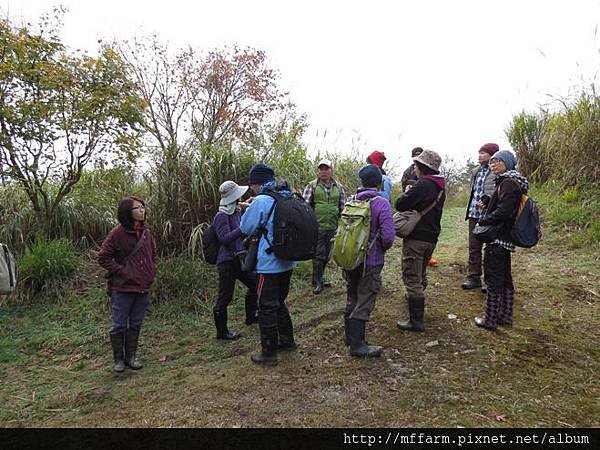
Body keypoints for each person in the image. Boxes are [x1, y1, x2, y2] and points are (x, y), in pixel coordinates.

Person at [240, 163, 297, 366]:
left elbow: (246, 227)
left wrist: (249, 208)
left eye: (252, 184)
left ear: (257, 183)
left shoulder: (262, 200)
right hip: (288, 261)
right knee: (279, 302)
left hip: (269, 264)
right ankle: (287, 340)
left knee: (266, 306)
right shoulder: (288, 195)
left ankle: (269, 353)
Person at [98, 196, 157, 373]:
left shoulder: (147, 232)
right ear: (127, 213)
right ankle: (118, 360)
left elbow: (153, 253)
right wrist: (123, 272)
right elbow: (103, 257)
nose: (142, 210)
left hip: (143, 286)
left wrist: (151, 270)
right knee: (119, 325)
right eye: (137, 208)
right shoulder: (117, 233)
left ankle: (131, 357)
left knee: (136, 323)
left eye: (143, 207)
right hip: (122, 288)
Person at [343, 164, 395, 357]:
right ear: (378, 183)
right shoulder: (381, 203)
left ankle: (349, 335)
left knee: (352, 294)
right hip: (371, 260)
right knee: (366, 297)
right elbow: (389, 237)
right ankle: (358, 346)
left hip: (350, 257)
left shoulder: (351, 200)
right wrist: (380, 248)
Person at [474, 150, 528, 330]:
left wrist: (484, 219)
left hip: (498, 237)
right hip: (505, 237)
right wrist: (489, 201)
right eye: (492, 162)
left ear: (508, 164)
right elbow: (506, 206)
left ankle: (490, 320)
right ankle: (505, 316)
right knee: (505, 278)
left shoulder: (508, 182)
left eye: (498, 161)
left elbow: (504, 211)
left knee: (493, 278)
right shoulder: (512, 182)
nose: (493, 164)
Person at [395, 150, 446, 332]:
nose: (414, 168)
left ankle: (416, 321)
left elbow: (400, 204)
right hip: (431, 237)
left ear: (423, 168)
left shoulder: (423, 184)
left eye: (416, 165)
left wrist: (408, 192)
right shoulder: (440, 186)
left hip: (416, 237)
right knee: (421, 271)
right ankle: (416, 306)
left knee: (411, 276)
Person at [212, 180, 259, 341]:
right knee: (225, 296)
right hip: (227, 261)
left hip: (240, 257)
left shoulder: (235, 211)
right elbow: (224, 239)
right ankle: (222, 332)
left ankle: (251, 316)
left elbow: (243, 210)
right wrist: (242, 228)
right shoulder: (221, 216)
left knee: (255, 285)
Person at [302, 159, 346, 294]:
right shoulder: (312, 186)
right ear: (317, 171)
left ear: (331, 170)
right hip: (317, 226)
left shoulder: (338, 187)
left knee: (327, 255)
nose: (323, 171)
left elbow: (343, 207)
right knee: (319, 254)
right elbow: (305, 206)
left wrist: (342, 224)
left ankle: (316, 278)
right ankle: (318, 282)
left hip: (332, 226)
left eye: (326, 169)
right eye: (321, 169)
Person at [462, 143, 499, 292]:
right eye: (479, 152)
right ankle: (473, 277)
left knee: (490, 248)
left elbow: (498, 191)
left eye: (483, 153)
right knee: (474, 247)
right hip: (474, 214)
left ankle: (489, 281)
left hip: (490, 215)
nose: (479, 155)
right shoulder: (475, 171)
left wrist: (488, 200)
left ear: (492, 155)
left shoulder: (497, 171)